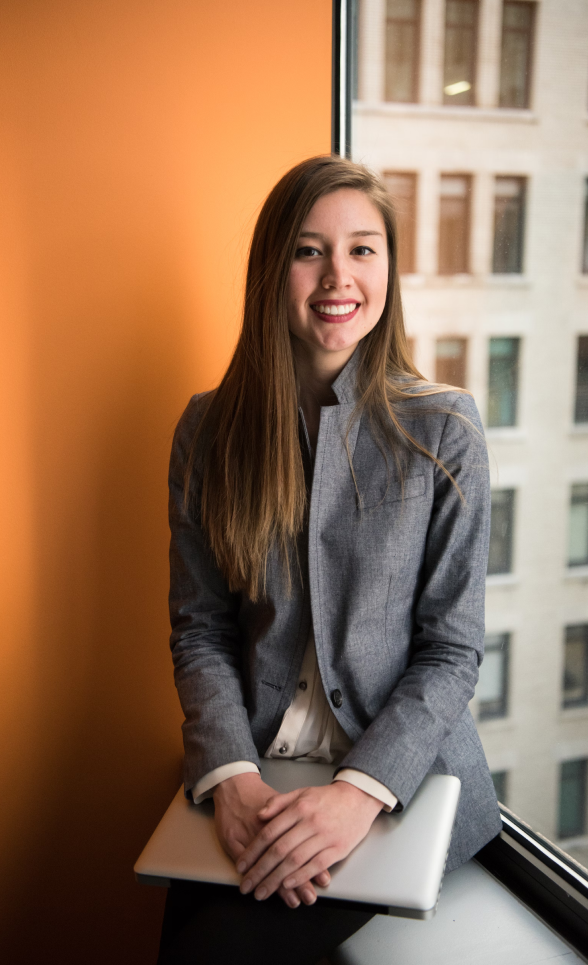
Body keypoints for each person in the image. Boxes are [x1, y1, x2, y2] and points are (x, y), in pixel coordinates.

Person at [158, 155, 501, 965]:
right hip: (257, 770)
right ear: (272, 270)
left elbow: (452, 651)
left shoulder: (445, 429)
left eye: (363, 249)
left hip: (398, 780)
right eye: (309, 250)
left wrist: (358, 794)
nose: (336, 276)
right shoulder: (206, 431)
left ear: (388, 269)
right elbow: (199, 629)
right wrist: (232, 779)